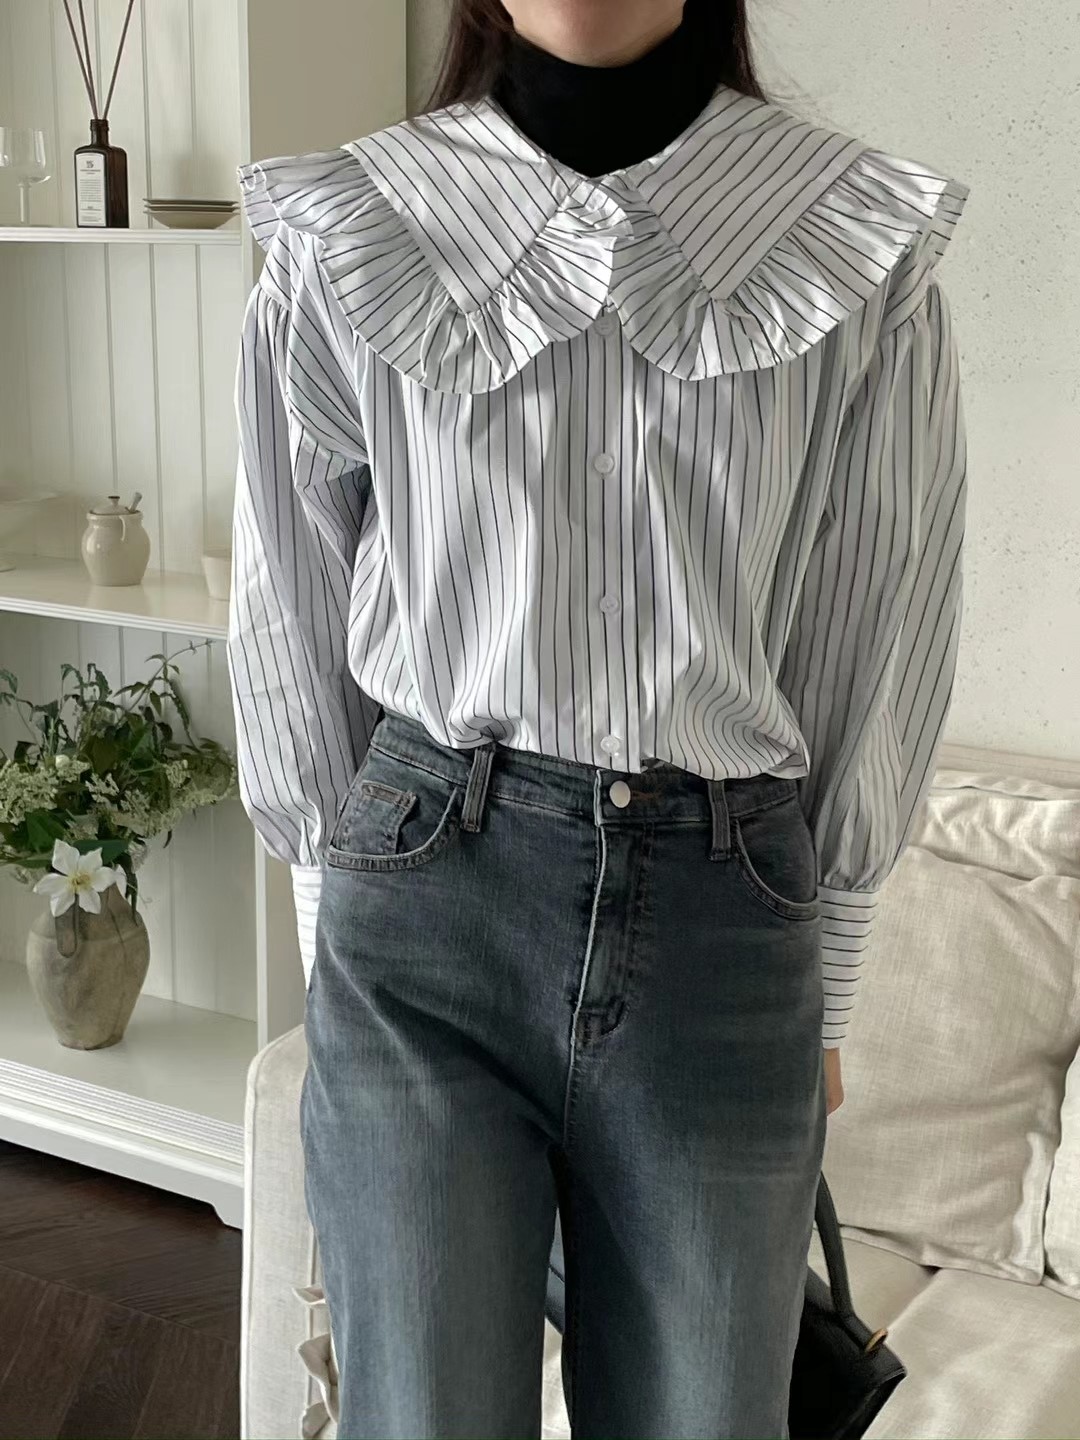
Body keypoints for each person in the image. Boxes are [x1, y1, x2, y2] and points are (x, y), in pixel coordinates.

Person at [226, 1, 970, 1434]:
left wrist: (831, 975)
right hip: (419, 916)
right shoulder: (355, 227)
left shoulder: (849, 240)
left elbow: (877, 625)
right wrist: (333, 934)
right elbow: (290, 604)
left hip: (722, 928)